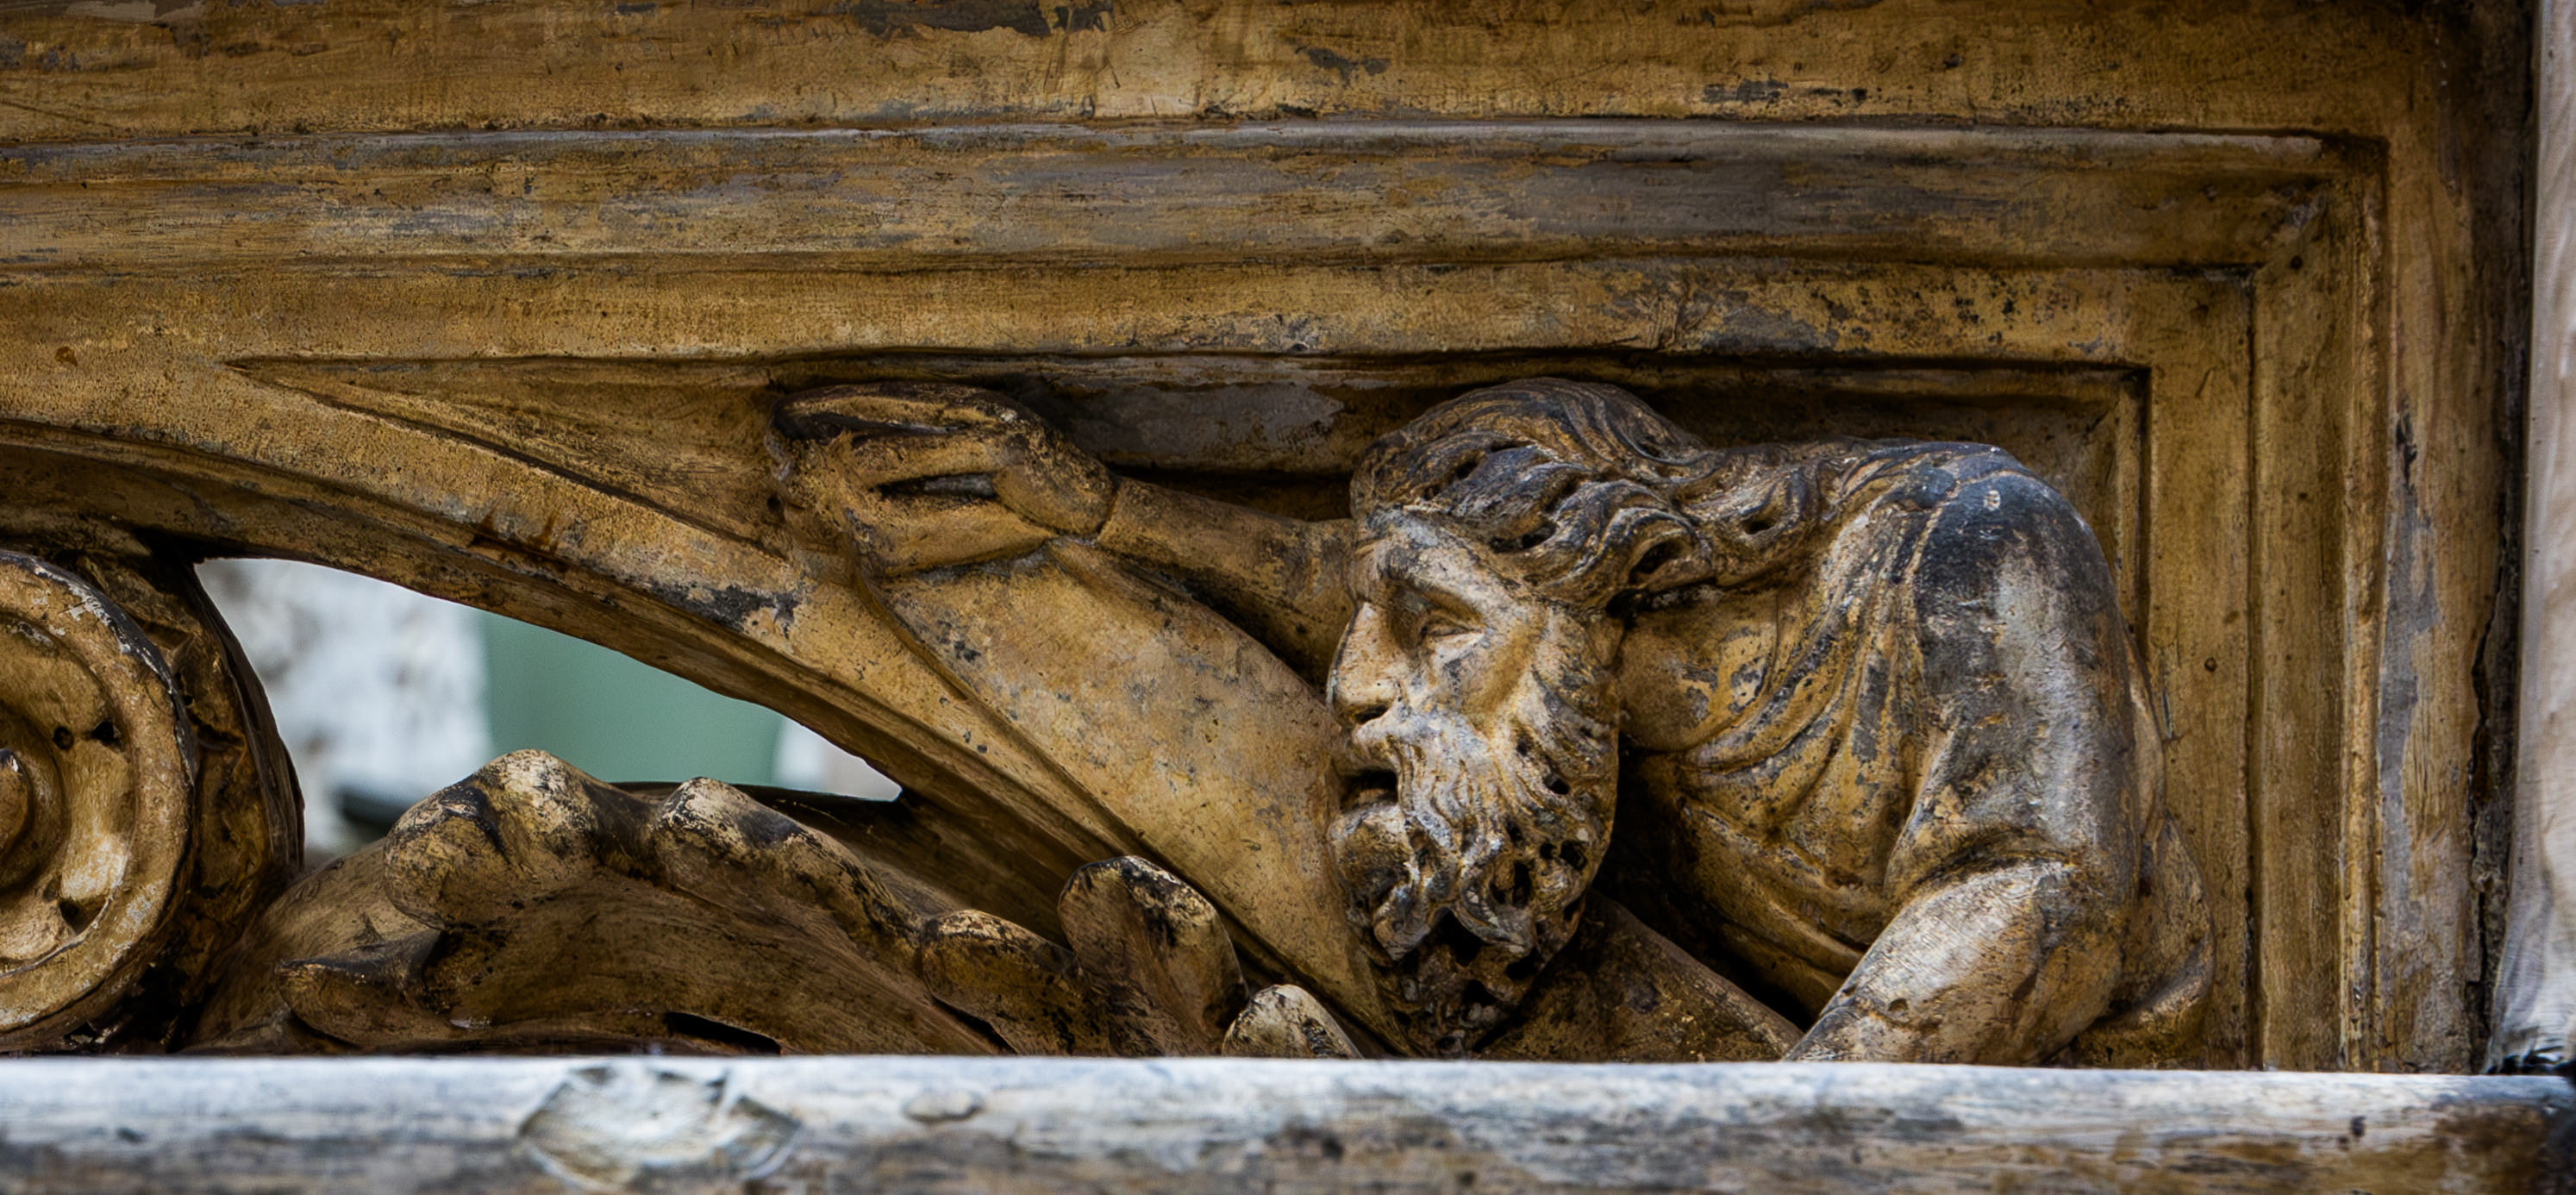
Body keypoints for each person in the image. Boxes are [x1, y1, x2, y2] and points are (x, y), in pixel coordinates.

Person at [777, 378, 2209, 1064]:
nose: (1355, 685)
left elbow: (2041, 894)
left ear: (1619, 569)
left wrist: (1770, 1147)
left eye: (1424, 631)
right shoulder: (1555, 643)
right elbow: (1358, 581)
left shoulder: (1964, 549)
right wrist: (1101, 512)